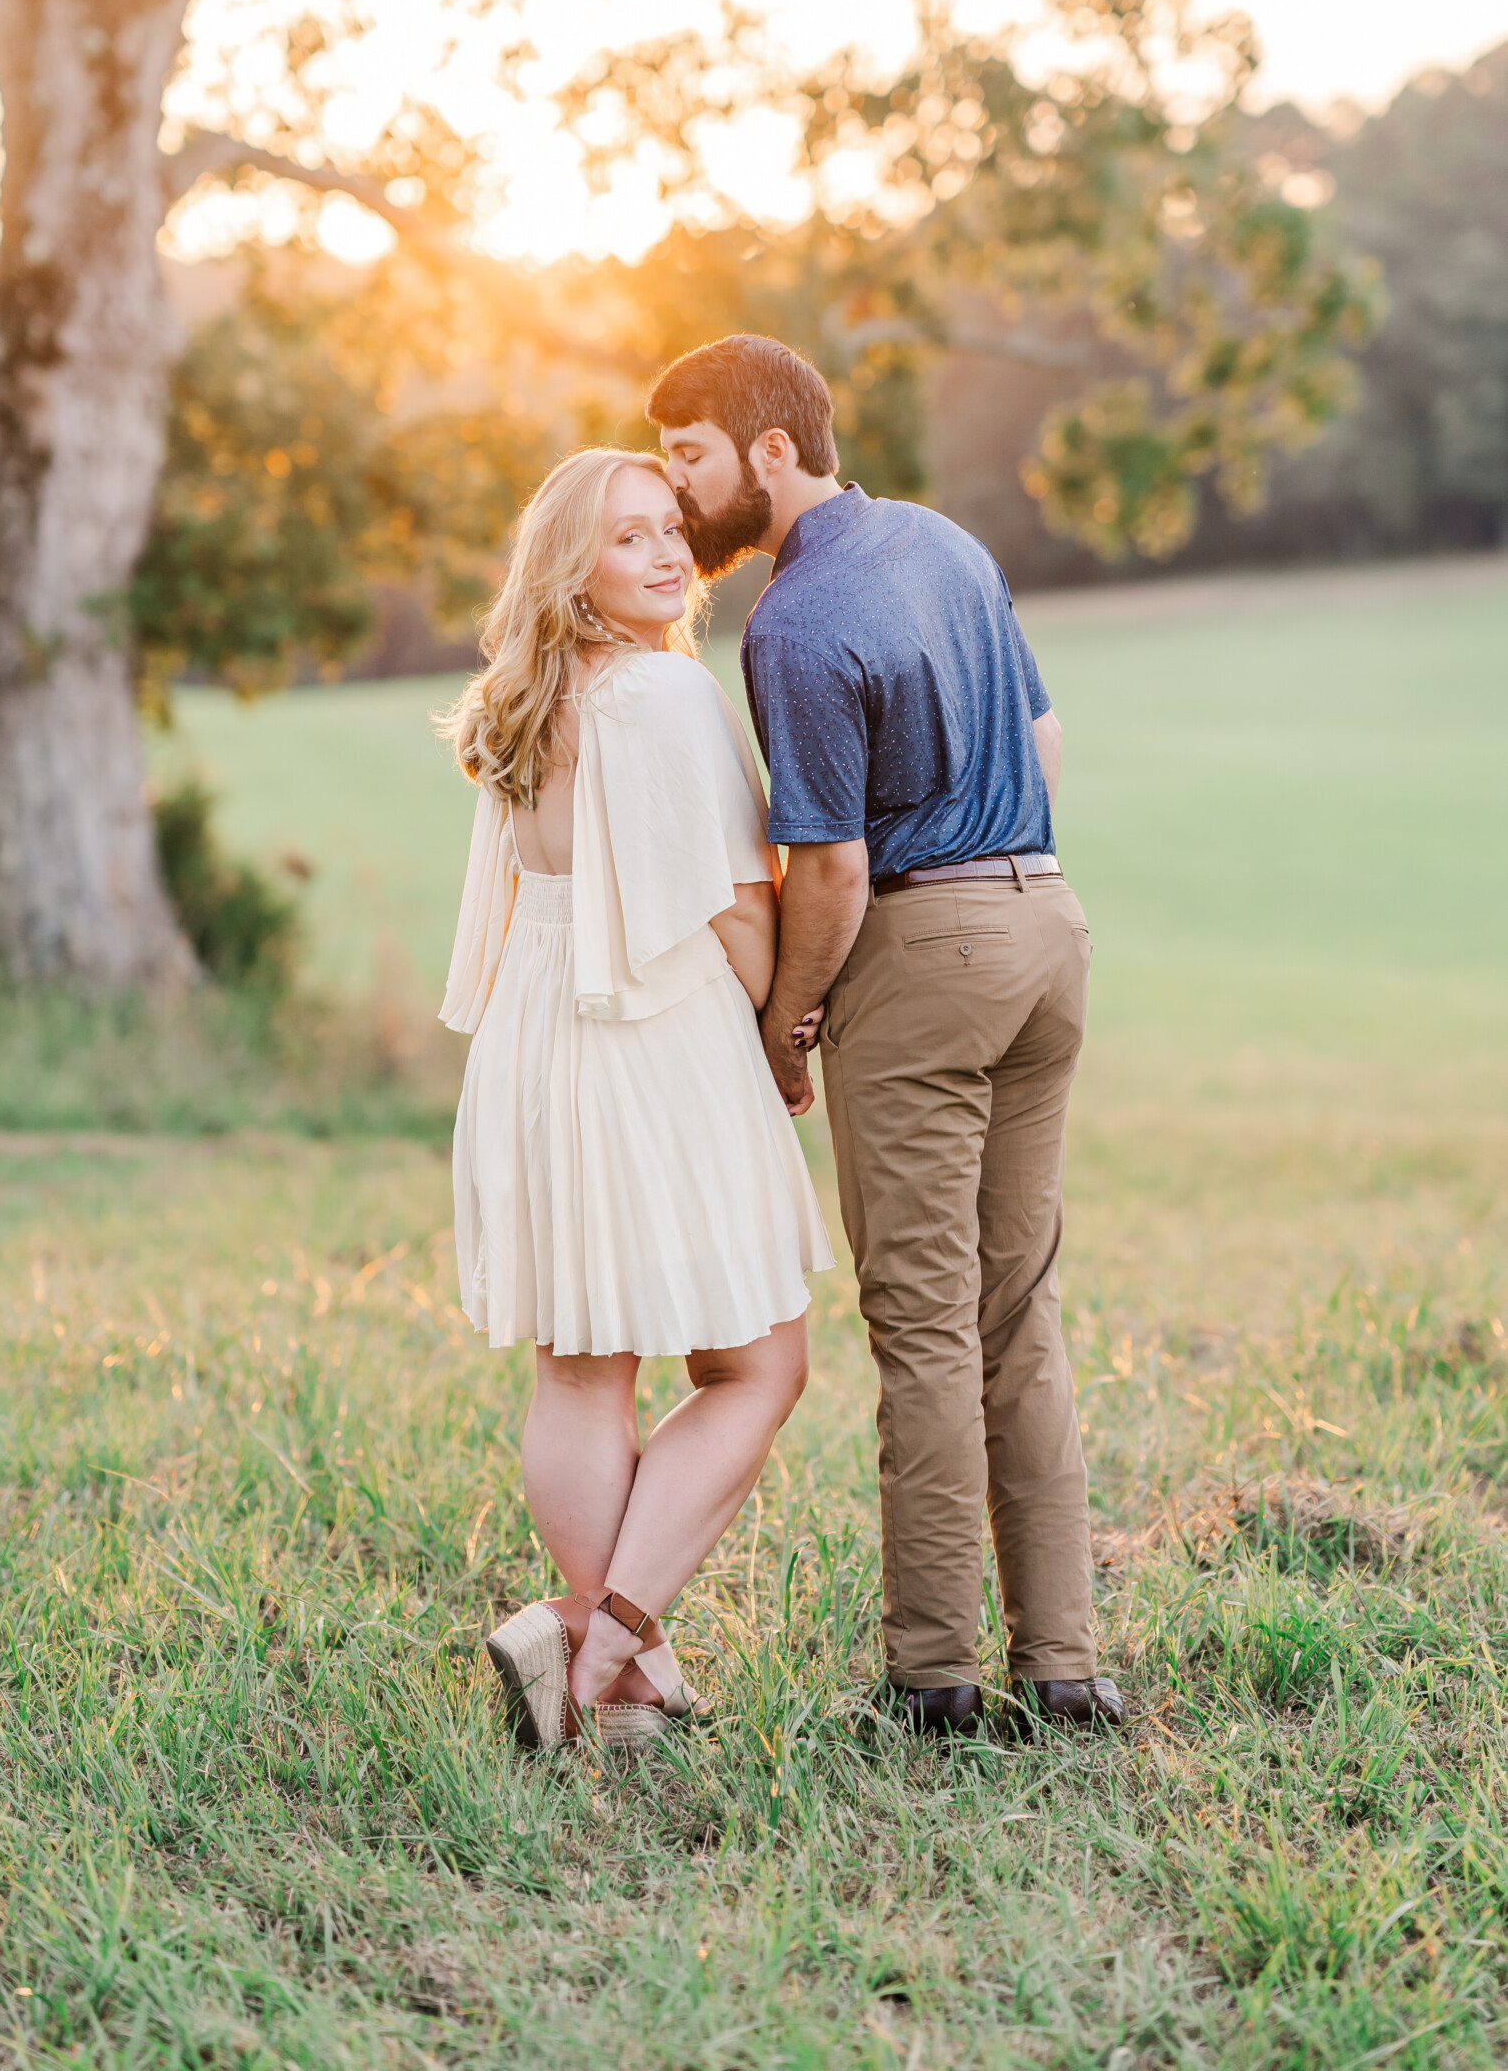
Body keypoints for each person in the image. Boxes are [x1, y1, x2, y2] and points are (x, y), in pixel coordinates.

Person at [648, 335, 1124, 1740]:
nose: (678, 494)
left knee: (921, 1328)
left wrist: (786, 1024)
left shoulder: (792, 622)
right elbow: (1040, 743)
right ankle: (1068, 1668)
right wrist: (1003, 879)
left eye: (690, 457)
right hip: (1047, 930)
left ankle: (932, 1683)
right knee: (1016, 1313)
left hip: (924, 956)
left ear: (771, 451)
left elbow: (834, 867)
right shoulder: (945, 543)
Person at [440, 446, 834, 1748]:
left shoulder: (522, 697)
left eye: (672, 530)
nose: (668, 556)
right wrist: (787, 1042)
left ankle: (608, 1679)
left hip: (538, 1031)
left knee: (581, 1369)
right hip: (654, 1033)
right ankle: (600, 1646)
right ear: (574, 566)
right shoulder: (662, 693)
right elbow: (735, 899)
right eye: (628, 540)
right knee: (760, 1365)